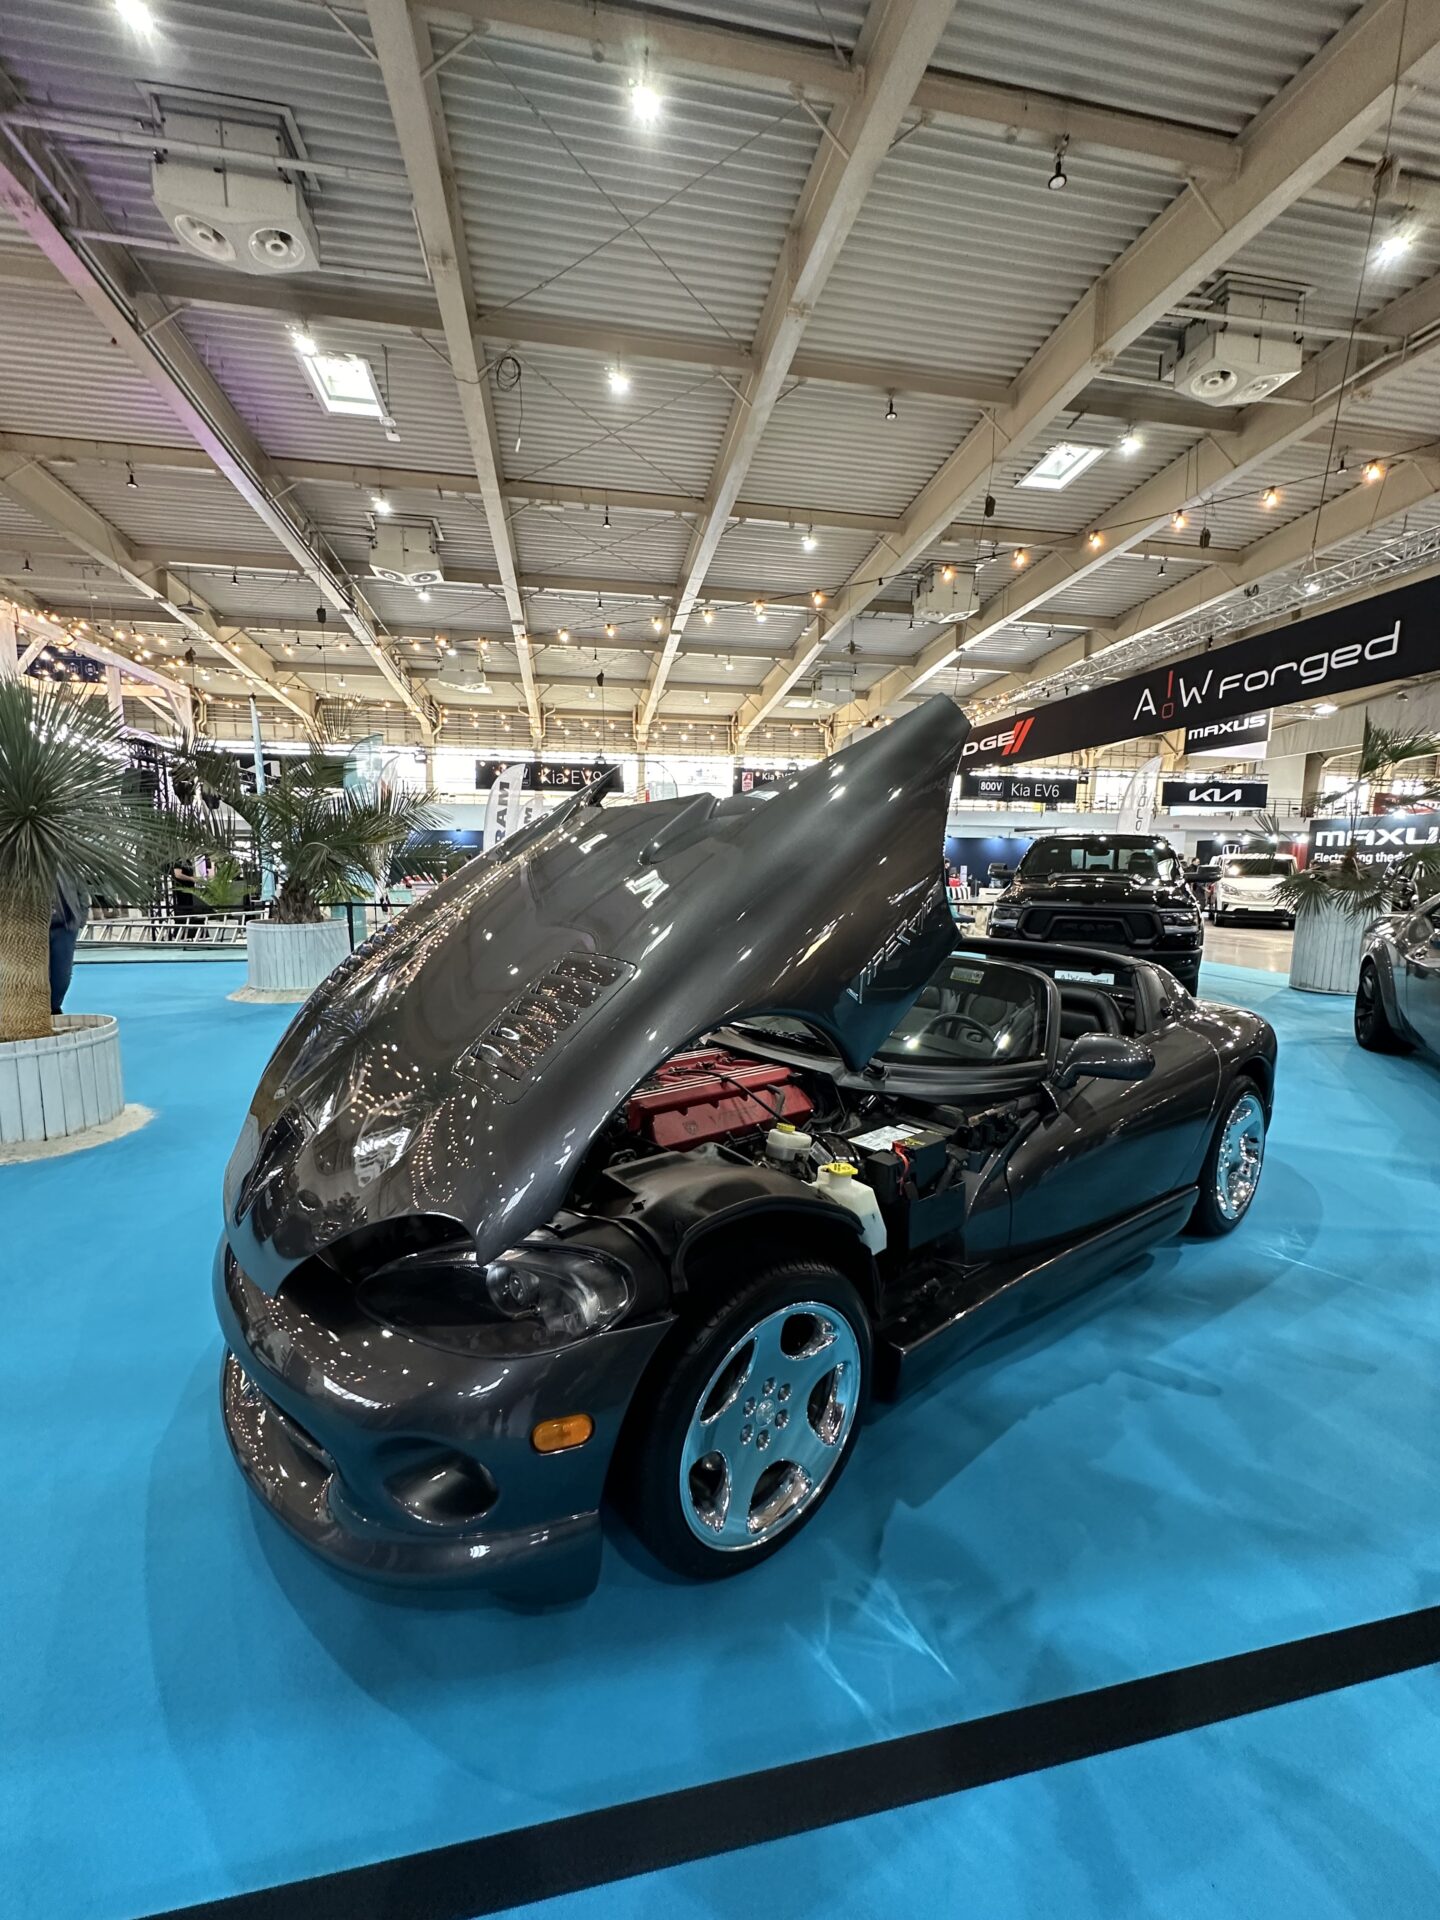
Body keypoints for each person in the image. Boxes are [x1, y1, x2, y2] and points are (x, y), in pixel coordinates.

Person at [50, 872, 90, 1015]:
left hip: (65, 927)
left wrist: (80, 920)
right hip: (33, 928)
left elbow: (82, 892)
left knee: (62, 975)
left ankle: (54, 1007)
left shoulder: (69, 866)